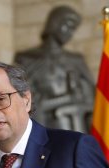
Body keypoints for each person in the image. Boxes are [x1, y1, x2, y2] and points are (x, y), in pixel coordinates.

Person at [14, 5, 95, 133]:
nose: (70, 33)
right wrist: (67, 100)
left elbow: (92, 99)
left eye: (73, 29)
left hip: (76, 126)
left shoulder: (76, 60)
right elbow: (25, 100)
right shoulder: (28, 59)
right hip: (45, 126)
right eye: (67, 25)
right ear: (55, 23)